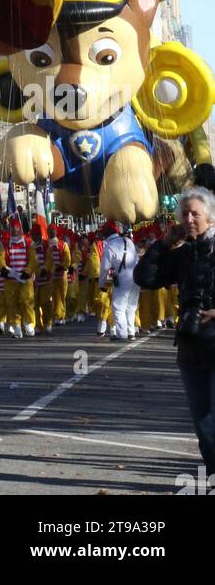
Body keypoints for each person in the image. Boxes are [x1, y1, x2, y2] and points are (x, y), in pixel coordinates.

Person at [135, 187, 215, 478]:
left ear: (211, 218)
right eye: (185, 213)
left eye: (196, 213)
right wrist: (164, 244)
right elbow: (145, 278)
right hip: (192, 346)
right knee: (203, 424)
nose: (190, 219)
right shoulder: (183, 253)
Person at [99, 222, 139, 341]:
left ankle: (122, 335)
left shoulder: (109, 246)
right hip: (135, 276)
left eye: (104, 231)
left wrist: (102, 284)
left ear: (107, 233)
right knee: (131, 307)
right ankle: (131, 332)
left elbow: (104, 268)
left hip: (122, 278)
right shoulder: (128, 241)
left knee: (118, 307)